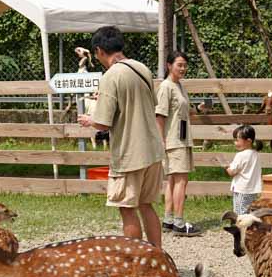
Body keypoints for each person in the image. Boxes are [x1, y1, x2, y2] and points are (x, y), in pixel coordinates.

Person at [78, 25, 165, 249]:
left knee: (127, 208)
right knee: (147, 205)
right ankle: (158, 257)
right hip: (153, 149)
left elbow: (103, 122)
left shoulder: (111, 76)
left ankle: (135, 262)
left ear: (98, 51)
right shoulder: (142, 68)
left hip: (129, 153)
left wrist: (89, 120)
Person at [155, 52, 199, 236]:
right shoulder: (166, 87)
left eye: (184, 65)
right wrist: (161, 141)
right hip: (173, 141)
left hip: (181, 138)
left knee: (173, 181)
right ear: (169, 65)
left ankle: (169, 219)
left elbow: (183, 111)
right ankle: (179, 222)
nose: (183, 68)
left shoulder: (179, 86)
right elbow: (160, 115)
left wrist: (197, 109)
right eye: (179, 65)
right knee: (181, 180)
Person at [227, 124, 263, 216]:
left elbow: (232, 172)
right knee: (250, 212)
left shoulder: (240, 155)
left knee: (240, 213)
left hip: (241, 189)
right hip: (253, 189)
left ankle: (241, 229)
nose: (235, 143)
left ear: (248, 141)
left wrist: (225, 167)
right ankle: (251, 228)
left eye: (237, 140)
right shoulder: (255, 154)